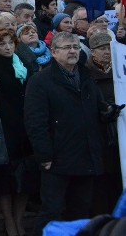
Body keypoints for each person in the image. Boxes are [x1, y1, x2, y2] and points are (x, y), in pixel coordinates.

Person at [24, 31, 122, 234]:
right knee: (51, 211)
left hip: (86, 156)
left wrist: (108, 112)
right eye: (67, 47)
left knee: (81, 211)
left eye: (76, 47)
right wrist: (44, 156)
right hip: (57, 159)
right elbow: (36, 122)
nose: (72, 51)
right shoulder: (40, 81)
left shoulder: (86, 77)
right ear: (54, 52)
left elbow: (97, 110)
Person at [0, 28, 34, 236]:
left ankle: (19, 219)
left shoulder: (23, 64)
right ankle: (8, 220)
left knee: (26, 176)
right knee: (6, 178)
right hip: (5, 128)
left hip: (26, 126)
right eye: (2, 44)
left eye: (10, 43)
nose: (7, 47)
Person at [85, 30, 122, 213]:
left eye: (108, 47)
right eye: (101, 48)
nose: (106, 51)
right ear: (92, 51)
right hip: (99, 135)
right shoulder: (85, 75)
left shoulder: (121, 71)